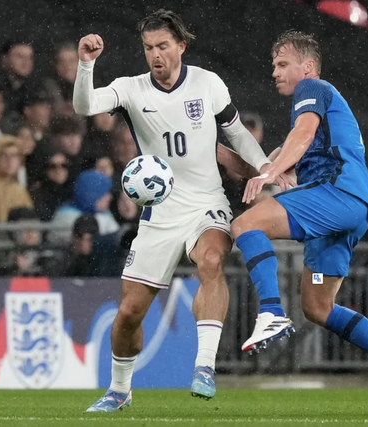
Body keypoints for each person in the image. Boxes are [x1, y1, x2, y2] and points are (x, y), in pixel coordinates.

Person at [73, 9, 271, 411]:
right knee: (129, 312)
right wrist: (85, 65)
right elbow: (85, 106)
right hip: (160, 213)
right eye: (148, 48)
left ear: (181, 46)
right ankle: (119, 389)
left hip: (207, 202)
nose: (155, 55)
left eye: (163, 46)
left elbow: (235, 132)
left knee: (212, 260)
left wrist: (265, 167)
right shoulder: (131, 89)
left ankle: (204, 367)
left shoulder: (207, 83)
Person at [229, 30, 368, 414]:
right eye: (273, 66)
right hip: (346, 217)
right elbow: (294, 144)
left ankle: (270, 310)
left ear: (308, 67)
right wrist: (274, 164)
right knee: (318, 306)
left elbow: (302, 135)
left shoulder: (313, 87)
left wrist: (272, 174)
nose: (275, 72)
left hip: (336, 196)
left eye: (282, 64)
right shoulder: (312, 107)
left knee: (245, 226)